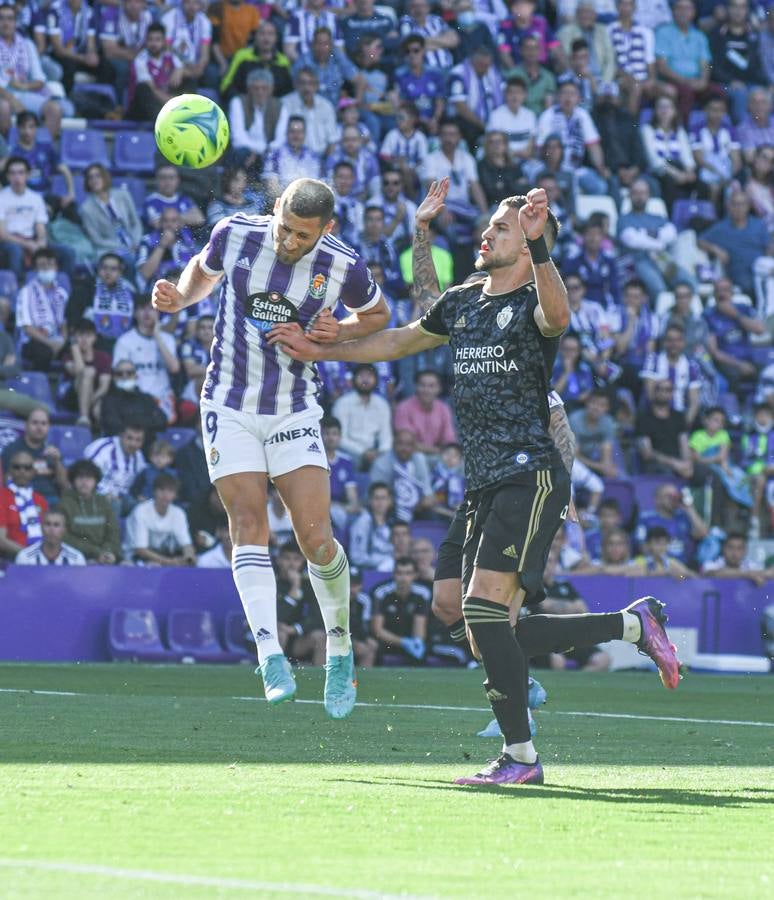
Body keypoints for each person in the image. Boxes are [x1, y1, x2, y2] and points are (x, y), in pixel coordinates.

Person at [270, 183, 682, 785]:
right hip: (484, 481)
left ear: (529, 244)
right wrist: (320, 351)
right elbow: (400, 338)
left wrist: (540, 248)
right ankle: (629, 626)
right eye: (488, 226)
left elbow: (559, 315)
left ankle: (521, 758)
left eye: (502, 229)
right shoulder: (465, 300)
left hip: (531, 473)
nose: (486, 234)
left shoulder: (536, 301)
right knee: (478, 619)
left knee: (484, 610)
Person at [151, 177, 391, 716]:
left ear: (325, 230)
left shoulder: (343, 264)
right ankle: (269, 653)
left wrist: (336, 333)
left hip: (292, 408)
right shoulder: (235, 233)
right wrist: (178, 296)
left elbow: (378, 317)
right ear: (276, 206)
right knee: (247, 525)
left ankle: (339, 648)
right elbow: (201, 275)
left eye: (302, 235)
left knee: (316, 539)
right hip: (228, 405)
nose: (288, 240)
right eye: (284, 226)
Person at [113, 296, 180, 424]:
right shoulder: (125, 341)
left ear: (158, 312)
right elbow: (121, 377)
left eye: (152, 309)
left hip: (162, 398)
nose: (147, 313)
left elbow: (174, 368)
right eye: (142, 309)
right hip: (135, 397)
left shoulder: (167, 339)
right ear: (135, 313)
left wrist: (157, 336)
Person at [14, 247, 68, 372]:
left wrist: (63, 341)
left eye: (50, 265)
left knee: (76, 349)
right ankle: (38, 387)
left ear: (56, 267)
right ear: (35, 269)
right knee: (44, 352)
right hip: (33, 340)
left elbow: (64, 323)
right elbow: (26, 327)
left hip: (56, 340)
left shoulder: (61, 293)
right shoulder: (25, 292)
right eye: (42, 265)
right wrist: (50, 344)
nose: (47, 268)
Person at [126, 472, 196, 566]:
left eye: (171, 491)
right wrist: (169, 562)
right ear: (154, 491)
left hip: (165, 557)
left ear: (175, 495)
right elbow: (140, 550)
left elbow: (186, 544)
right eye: (162, 490)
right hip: (135, 558)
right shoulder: (141, 511)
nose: (166, 495)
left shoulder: (179, 513)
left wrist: (189, 558)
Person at [59, 459, 121, 564]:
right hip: (77, 557)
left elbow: (113, 532)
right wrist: (96, 552)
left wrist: (107, 552)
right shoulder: (64, 503)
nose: (84, 482)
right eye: (80, 478)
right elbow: (64, 537)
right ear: (73, 480)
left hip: (105, 555)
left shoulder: (103, 502)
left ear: (96, 480)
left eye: (89, 478)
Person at [332, 363, 393, 470]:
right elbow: (340, 438)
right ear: (353, 380)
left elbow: (386, 438)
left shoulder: (382, 404)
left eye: (369, 376)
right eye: (361, 376)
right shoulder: (342, 403)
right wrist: (363, 452)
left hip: (375, 454)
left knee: (386, 462)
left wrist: (379, 453)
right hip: (350, 452)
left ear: (376, 380)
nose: (365, 380)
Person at [1, 406, 67, 504]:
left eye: (43, 424)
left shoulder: (53, 451)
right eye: (35, 423)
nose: (39, 427)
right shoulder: (12, 450)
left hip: (50, 499)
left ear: (48, 427)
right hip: (22, 498)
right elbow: (5, 482)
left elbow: (64, 485)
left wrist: (57, 462)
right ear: (26, 425)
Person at [370, 557, 430, 665]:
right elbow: (377, 630)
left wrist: (416, 642)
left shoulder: (422, 593)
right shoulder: (381, 592)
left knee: (421, 653)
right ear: (393, 574)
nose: (403, 578)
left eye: (408, 573)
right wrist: (403, 642)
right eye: (399, 573)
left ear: (415, 575)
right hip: (387, 642)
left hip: (409, 641)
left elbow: (419, 628)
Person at [84, 421, 147, 515]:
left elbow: (140, 483)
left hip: (123, 499)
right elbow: (86, 476)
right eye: (129, 438)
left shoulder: (139, 456)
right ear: (121, 436)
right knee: (115, 505)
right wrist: (104, 494)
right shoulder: (102, 447)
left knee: (143, 506)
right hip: (98, 496)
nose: (133, 444)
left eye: (138, 440)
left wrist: (140, 496)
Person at [61, 318, 112, 427]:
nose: (84, 339)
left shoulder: (103, 357)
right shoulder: (68, 356)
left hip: (95, 395)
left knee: (99, 409)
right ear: (74, 337)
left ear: (94, 338)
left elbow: (104, 386)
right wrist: (74, 348)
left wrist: (91, 401)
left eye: (88, 335)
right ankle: (84, 417)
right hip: (73, 396)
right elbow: (79, 371)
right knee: (88, 372)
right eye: (80, 335)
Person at [0, 450, 48, 559]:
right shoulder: (1, 497)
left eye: (27, 467)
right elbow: (1, 541)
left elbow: (48, 534)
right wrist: (28, 554)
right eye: (17, 467)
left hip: (39, 558)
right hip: (10, 558)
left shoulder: (40, 500)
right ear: (10, 470)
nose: (22, 471)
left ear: (33, 471)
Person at [14, 506, 86, 566]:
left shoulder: (76, 559)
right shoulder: (25, 557)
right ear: (41, 528)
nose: (51, 529)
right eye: (48, 524)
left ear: (64, 529)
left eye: (56, 525)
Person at [348, 481, 395, 570]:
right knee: (390, 562)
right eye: (376, 498)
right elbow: (357, 557)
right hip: (365, 570)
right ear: (370, 501)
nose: (380, 502)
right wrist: (385, 559)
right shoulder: (362, 522)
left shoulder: (392, 522)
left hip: (388, 566)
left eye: (384, 498)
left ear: (390, 501)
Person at [702, 532, 772, 586]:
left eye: (739, 548)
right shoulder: (711, 564)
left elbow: (768, 573)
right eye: (730, 547)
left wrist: (761, 574)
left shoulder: (751, 565)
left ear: (745, 551)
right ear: (723, 549)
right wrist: (749, 575)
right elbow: (715, 574)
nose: (734, 553)